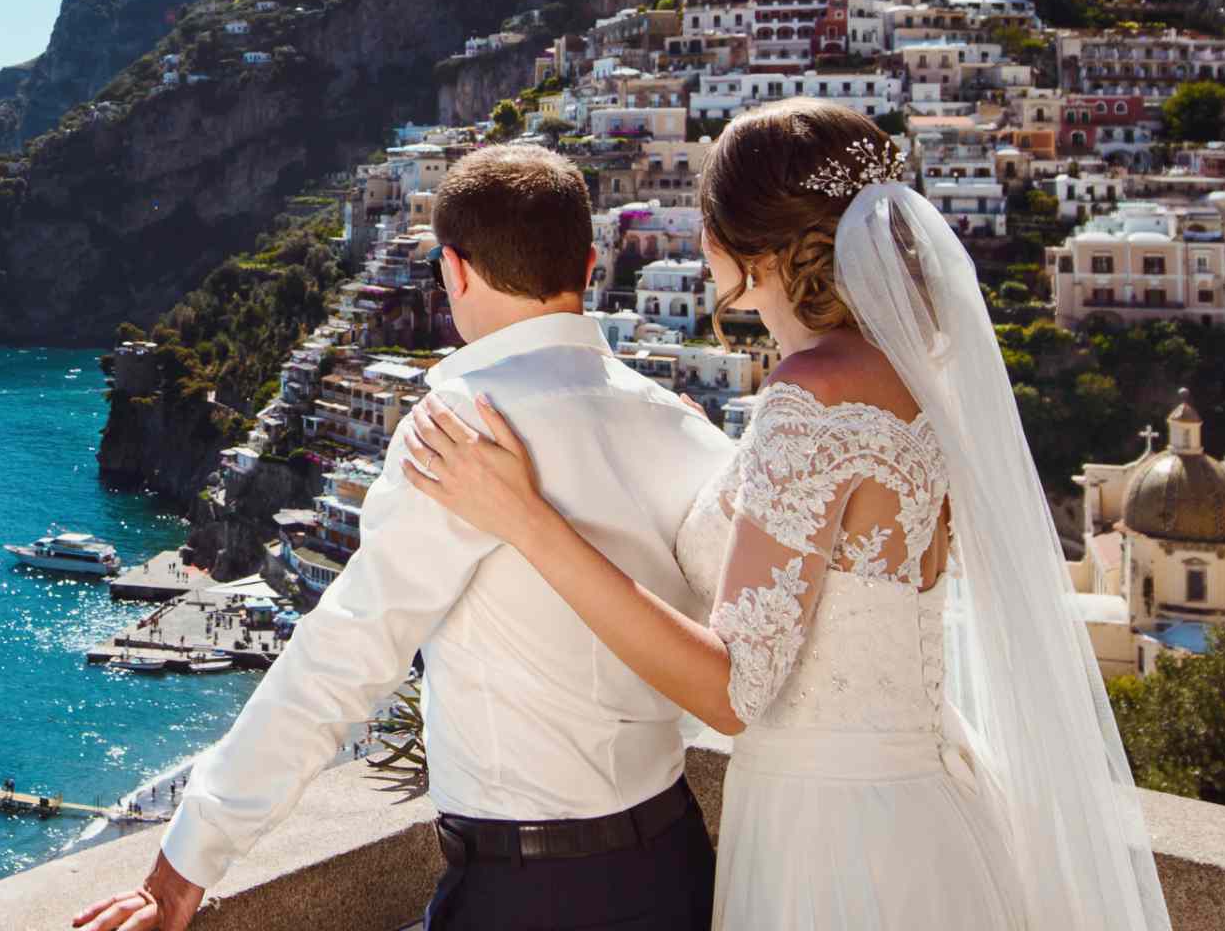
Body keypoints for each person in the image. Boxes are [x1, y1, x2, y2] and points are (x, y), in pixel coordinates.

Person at [398, 99, 1172, 929]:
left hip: (831, 831)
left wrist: (527, 520)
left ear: (742, 248)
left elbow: (732, 691)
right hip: (930, 805)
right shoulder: (912, 380)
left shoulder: (809, 400)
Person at [75, 145, 736, 931]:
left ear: (453, 270)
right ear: (591, 265)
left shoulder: (457, 431)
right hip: (678, 866)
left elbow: (343, 660)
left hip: (528, 892)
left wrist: (183, 866)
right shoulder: (684, 427)